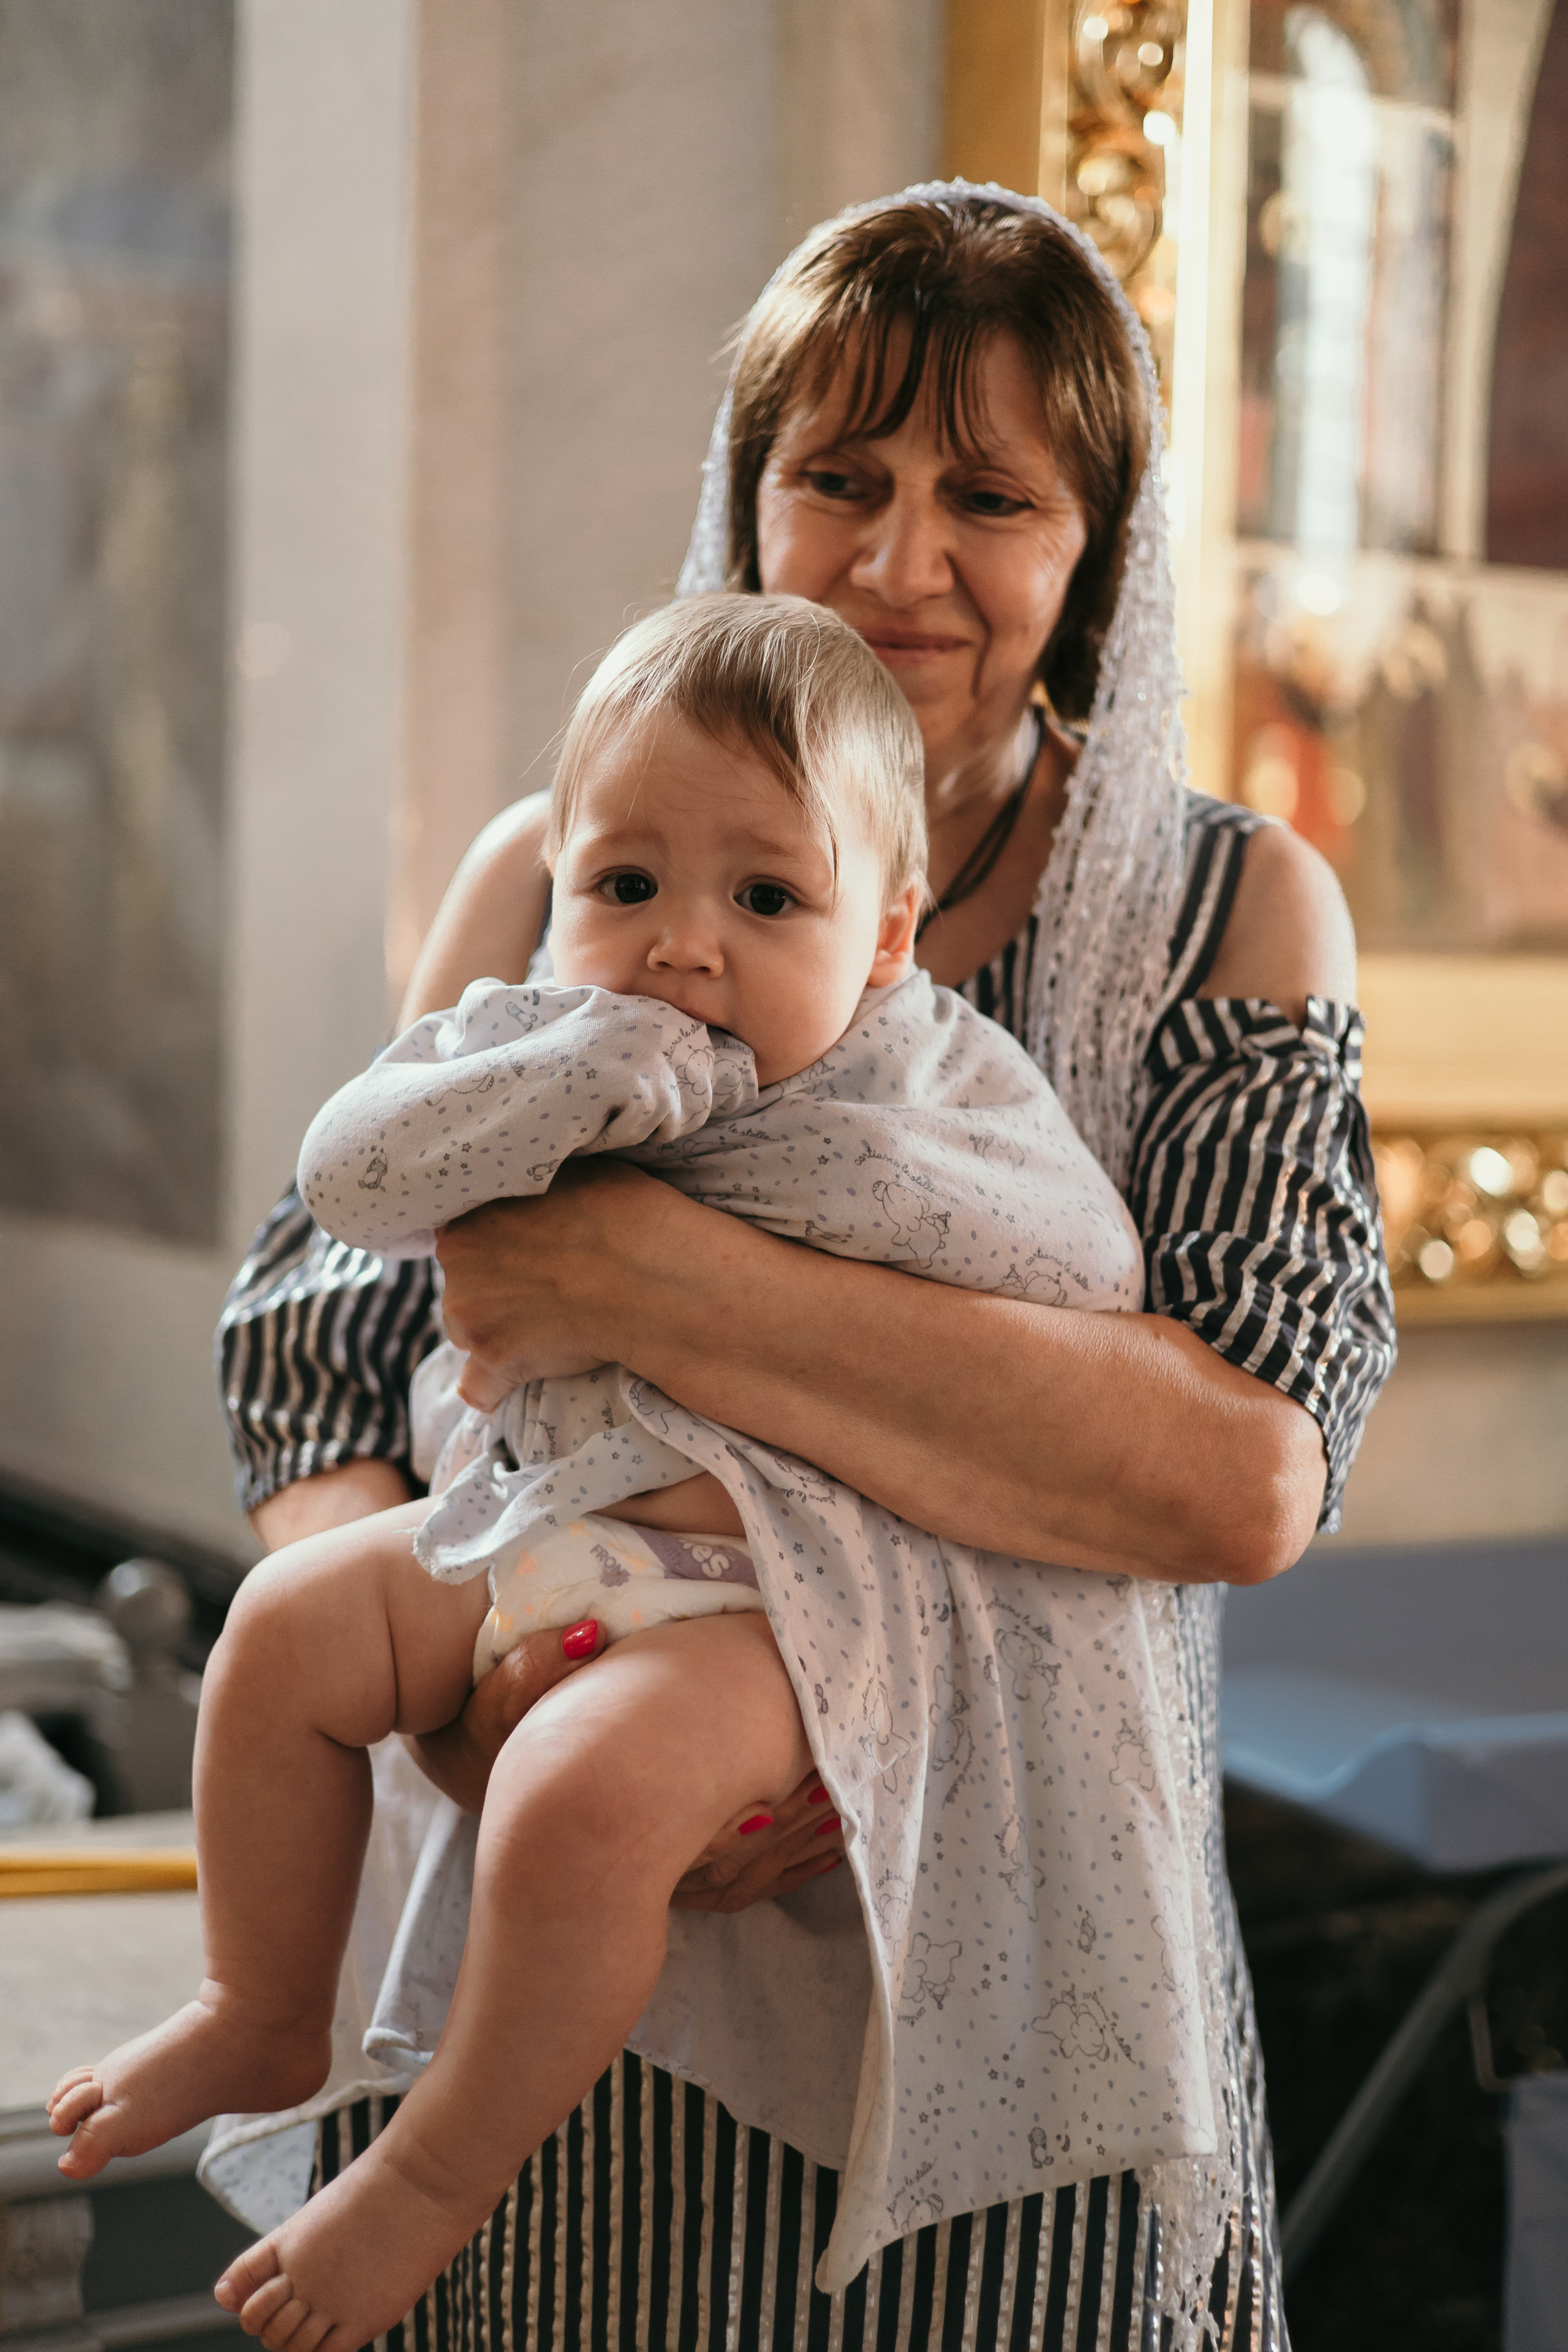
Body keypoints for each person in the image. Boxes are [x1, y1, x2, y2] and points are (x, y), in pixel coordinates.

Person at [214, 186, 1395, 2351]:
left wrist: (645, 1280)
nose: (901, 560)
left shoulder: (1232, 914)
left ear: (1095, 546)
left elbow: (1241, 1479)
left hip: (1003, 1919)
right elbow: (317, 1344)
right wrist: (468, 1675)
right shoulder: (556, 873)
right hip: (559, 1925)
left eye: (992, 497)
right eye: (838, 478)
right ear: (747, 495)